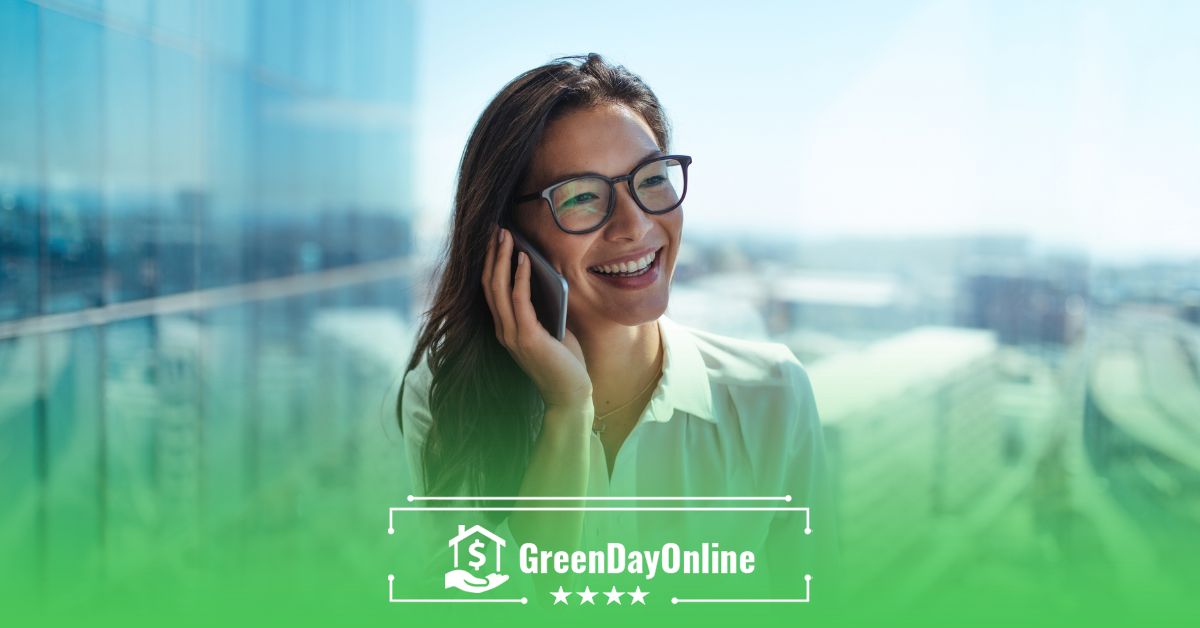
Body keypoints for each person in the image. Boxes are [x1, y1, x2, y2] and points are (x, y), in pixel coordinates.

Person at [397, 53, 836, 596]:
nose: (635, 224)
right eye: (582, 196)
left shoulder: (771, 395)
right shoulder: (449, 401)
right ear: (504, 236)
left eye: (651, 179)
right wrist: (567, 410)